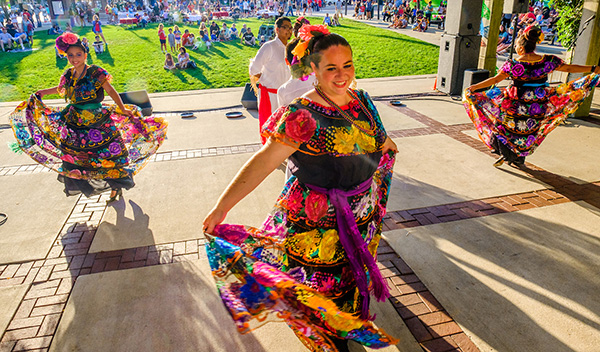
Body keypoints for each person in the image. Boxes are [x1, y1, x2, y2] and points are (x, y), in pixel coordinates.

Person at [203, 29, 399, 352]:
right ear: (314, 70)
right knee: (321, 299)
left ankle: (343, 330)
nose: (342, 75)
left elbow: (380, 141)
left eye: (347, 66)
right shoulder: (302, 114)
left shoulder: (362, 102)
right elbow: (265, 161)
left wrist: (388, 152)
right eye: (331, 68)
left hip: (358, 222)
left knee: (350, 285)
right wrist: (222, 208)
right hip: (317, 230)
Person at [9, 32, 168, 201]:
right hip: (74, 121)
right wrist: (42, 92)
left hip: (98, 122)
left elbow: (111, 91)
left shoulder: (95, 72)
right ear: (66, 56)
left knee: (105, 156)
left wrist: (121, 108)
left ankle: (116, 187)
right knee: (75, 156)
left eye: (78, 55)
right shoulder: (69, 74)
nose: (74, 58)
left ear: (85, 55)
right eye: (70, 55)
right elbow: (60, 88)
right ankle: (86, 183)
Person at [465, 25, 600, 168]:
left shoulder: (513, 64)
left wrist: (474, 87)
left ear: (521, 47)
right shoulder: (548, 61)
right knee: (527, 131)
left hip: (515, 104)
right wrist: (592, 69)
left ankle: (508, 155)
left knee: (504, 128)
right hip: (538, 105)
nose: (515, 47)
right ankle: (517, 157)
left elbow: (495, 80)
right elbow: (568, 68)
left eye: (516, 44)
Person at [249, 16, 293, 143]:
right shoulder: (269, 47)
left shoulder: (291, 48)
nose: (289, 31)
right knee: (269, 129)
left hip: (286, 96)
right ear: (277, 29)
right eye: (285, 28)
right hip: (270, 95)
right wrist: (266, 80)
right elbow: (254, 69)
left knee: (284, 128)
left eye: (290, 28)